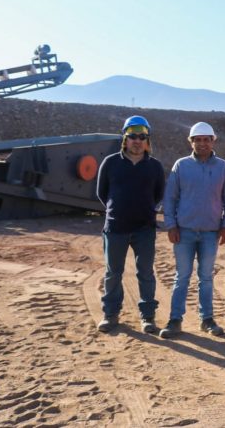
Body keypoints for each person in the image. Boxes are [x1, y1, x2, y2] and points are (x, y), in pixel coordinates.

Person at [160, 122, 225, 339]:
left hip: (210, 233)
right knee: (182, 277)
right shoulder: (181, 166)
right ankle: (175, 320)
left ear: (213, 141)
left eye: (206, 139)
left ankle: (207, 319)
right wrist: (171, 225)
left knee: (206, 277)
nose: (202, 143)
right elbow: (170, 197)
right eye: (198, 139)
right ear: (191, 141)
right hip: (183, 232)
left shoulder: (223, 167)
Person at [95, 115, 166, 333]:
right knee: (113, 273)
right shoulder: (110, 163)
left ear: (147, 140)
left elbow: (158, 195)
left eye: (142, 137)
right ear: (125, 139)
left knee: (145, 273)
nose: (137, 140)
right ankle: (111, 315)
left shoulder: (154, 166)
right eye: (132, 136)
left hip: (144, 229)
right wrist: (117, 211)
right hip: (116, 228)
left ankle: (147, 317)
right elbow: (101, 193)